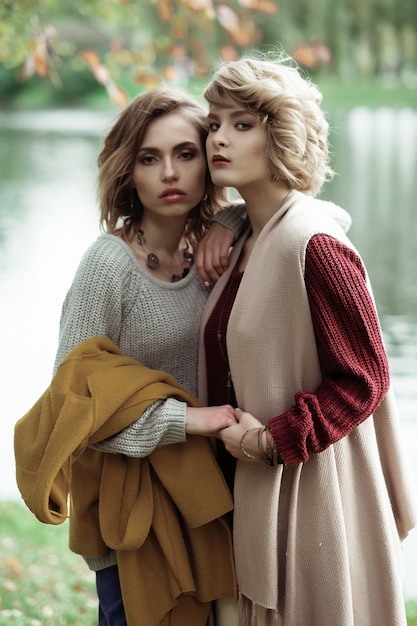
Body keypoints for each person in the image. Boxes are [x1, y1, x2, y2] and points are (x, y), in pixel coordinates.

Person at [197, 54, 417, 626]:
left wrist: (272, 442)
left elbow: (366, 377)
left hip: (308, 487)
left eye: (242, 124)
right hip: (247, 490)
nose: (219, 138)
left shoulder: (315, 246)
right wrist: (230, 218)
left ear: (282, 135)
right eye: (215, 122)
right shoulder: (250, 233)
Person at [15, 87, 245, 626]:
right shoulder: (108, 267)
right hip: (131, 506)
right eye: (149, 158)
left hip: (206, 492)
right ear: (128, 171)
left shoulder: (218, 249)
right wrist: (185, 421)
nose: (170, 173)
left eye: (185, 154)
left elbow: (324, 217)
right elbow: (71, 412)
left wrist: (231, 221)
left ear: (210, 162)